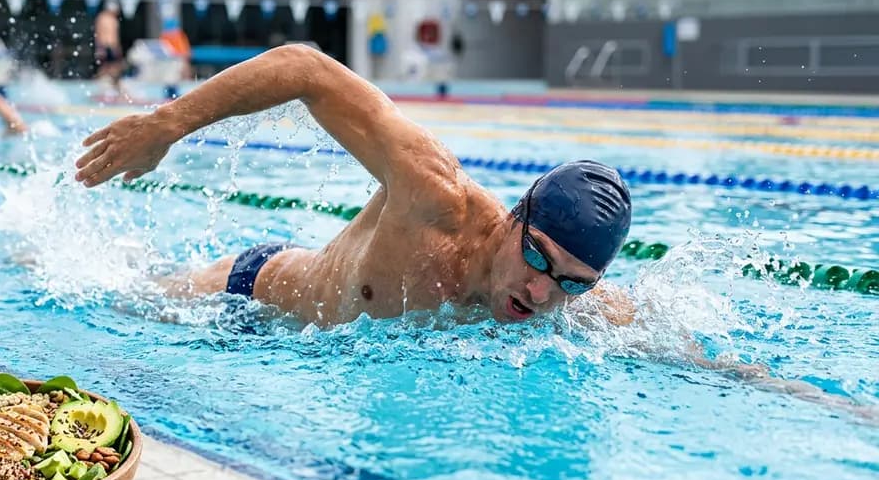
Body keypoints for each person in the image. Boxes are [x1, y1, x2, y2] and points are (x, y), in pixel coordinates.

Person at [76, 44, 630, 328]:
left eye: (573, 284)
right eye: (536, 257)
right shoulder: (434, 195)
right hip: (246, 294)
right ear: (515, 218)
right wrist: (165, 125)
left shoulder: (567, 293)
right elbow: (305, 69)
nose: (540, 294)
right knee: (120, 297)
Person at [93, 0, 125, 87]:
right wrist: (99, 47)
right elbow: (98, 33)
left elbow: (115, 35)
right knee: (105, 68)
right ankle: (98, 85)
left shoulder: (113, 19)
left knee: (115, 67)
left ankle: (113, 86)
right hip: (105, 45)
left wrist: (117, 47)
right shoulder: (102, 18)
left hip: (112, 46)